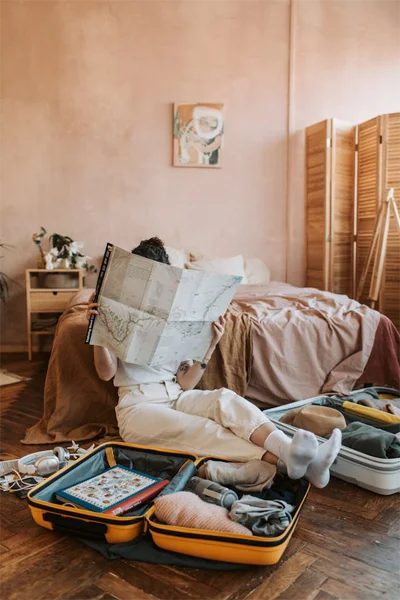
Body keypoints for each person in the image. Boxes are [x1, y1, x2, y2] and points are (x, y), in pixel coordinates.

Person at [86, 237, 342, 488]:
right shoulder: (117, 308)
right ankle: (295, 465)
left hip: (176, 396)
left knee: (225, 400)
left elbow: (186, 383)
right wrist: (97, 331)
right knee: (203, 429)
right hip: (138, 407)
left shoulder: (178, 311)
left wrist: (210, 345)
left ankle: (293, 452)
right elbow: (106, 373)